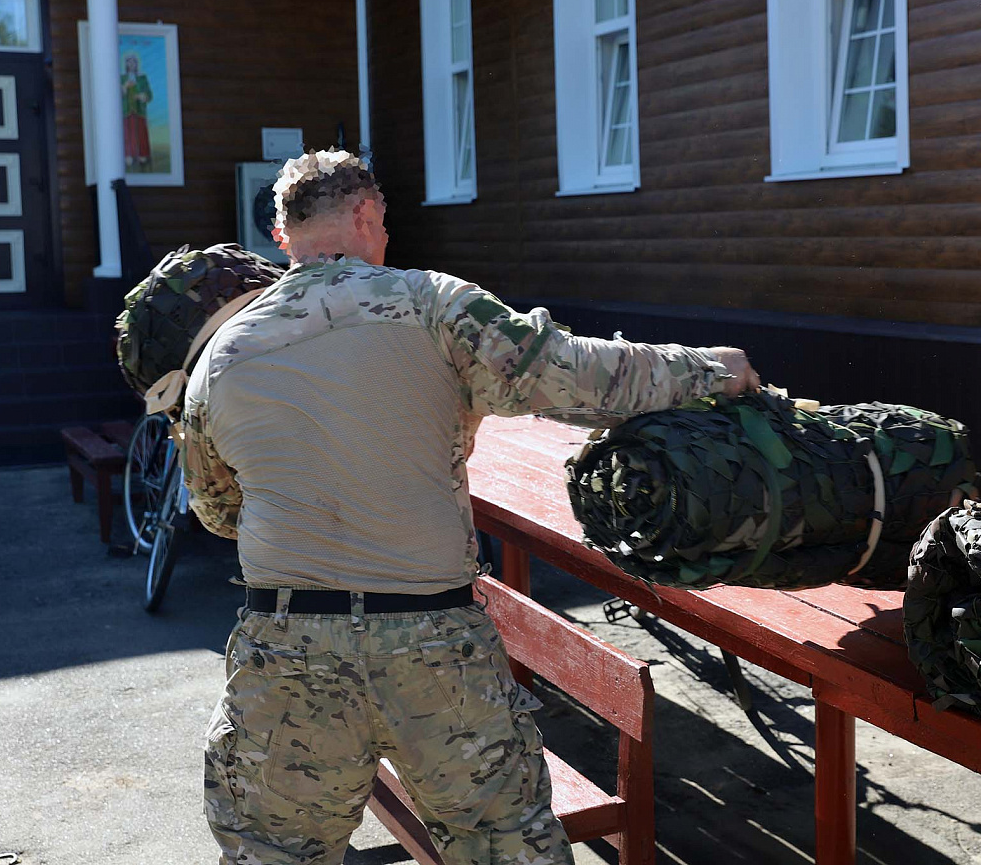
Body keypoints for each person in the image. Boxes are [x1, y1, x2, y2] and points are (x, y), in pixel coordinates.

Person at [181, 149, 759, 865]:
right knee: (503, 851)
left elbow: (216, 510)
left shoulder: (220, 356)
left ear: (284, 236)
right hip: (431, 645)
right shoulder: (433, 305)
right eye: (384, 224)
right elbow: (581, 379)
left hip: (286, 649)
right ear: (365, 215)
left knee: (274, 855)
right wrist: (711, 370)